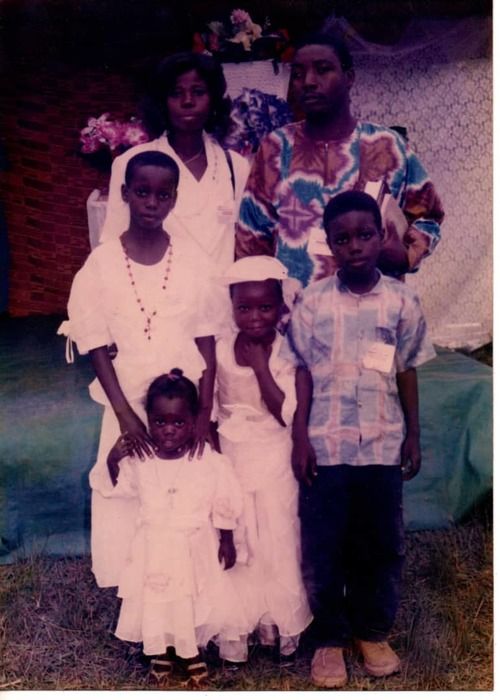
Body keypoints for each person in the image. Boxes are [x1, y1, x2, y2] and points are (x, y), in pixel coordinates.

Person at [284, 191, 435, 688]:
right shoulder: (312, 302)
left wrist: (412, 434)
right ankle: (329, 637)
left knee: (379, 542)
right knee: (324, 543)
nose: (355, 246)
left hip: (381, 443)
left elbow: (406, 368)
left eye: (365, 235)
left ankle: (371, 631)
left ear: (382, 236)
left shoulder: (402, 301)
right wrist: (300, 438)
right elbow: (301, 371)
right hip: (325, 445)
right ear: (329, 244)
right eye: (343, 238)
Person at [64, 151, 220, 588]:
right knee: (128, 486)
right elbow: (95, 341)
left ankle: (186, 581)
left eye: (163, 195)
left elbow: (207, 336)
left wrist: (205, 411)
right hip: (127, 396)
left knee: (182, 487)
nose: (152, 202)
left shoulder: (193, 260)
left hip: (182, 402)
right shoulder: (102, 264)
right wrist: (124, 414)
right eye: (143, 192)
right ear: (125, 193)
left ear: (174, 199)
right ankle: (134, 584)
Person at [236, 32, 444, 289]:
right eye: (298, 74)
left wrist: (406, 255)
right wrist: (258, 297)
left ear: (349, 77)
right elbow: (251, 235)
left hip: (375, 304)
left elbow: (429, 216)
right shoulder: (275, 148)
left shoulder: (387, 146)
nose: (308, 82)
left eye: (323, 70)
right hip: (295, 307)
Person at [92, 369, 248, 686]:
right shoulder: (142, 459)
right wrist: (112, 460)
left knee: (190, 600)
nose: (168, 430)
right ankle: (160, 650)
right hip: (154, 548)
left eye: (178, 422)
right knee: (157, 601)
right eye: (160, 422)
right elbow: (121, 489)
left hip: (194, 545)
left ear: (194, 421)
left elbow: (223, 498)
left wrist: (227, 539)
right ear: (148, 420)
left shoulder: (205, 458)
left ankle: (191, 654)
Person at [214, 256, 312, 664]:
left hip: (274, 451)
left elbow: (284, 413)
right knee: (243, 533)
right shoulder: (221, 349)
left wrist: (259, 367)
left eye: (265, 307)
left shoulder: (285, 352)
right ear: (232, 306)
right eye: (245, 308)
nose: (254, 317)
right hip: (233, 453)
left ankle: (278, 621)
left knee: (275, 532)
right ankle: (244, 622)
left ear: (280, 306)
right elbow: (213, 408)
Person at [101, 51, 250, 277]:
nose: (188, 101)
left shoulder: (235, 166)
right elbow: (113, 244)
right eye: (176, 93)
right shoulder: (131, 163)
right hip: (157, 293)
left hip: (218, 297)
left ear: (213, 100)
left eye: (198, 92)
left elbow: (242, 249)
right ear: (162, 102)